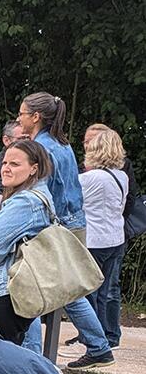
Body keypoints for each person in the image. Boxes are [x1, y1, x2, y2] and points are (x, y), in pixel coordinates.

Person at [0, 140, 112, 365]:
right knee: (12, 360)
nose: (6, 168)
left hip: (5, 295)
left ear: (34, 169)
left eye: (15, 164)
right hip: (15, 292)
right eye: (5, 162)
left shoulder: (26, 202)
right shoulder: (33, 195)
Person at [79, 129, 128, 352]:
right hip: (116, 237)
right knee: (109, 290)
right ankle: (111, 335)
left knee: (90, 293)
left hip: (94, 240)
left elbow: (75, 204)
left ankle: (94, 340)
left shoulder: (88, 179)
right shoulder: (122, 176)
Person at [17, 92, 85, 237]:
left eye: (21, 114)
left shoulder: (39, 149)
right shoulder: (63, 143)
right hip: (76, 222)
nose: (18, 119)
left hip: (57, 228)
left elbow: (38, 195)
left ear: (35, 117)